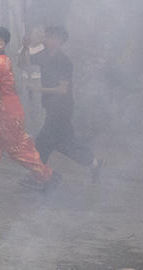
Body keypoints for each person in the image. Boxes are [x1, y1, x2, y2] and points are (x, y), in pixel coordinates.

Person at [0, 26, 55, 198]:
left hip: (8, 115)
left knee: (17, 151)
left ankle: (48, 177)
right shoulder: (1, 60)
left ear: (1, 44)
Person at [32, 26, 100, 179]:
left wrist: (39, 89)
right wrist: (27, 44)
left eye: (55, 38)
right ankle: (94, 163)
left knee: (42, 143)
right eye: (49, 37)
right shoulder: (43, 56)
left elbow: (62, 90)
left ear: (61, 41)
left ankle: (41, 177)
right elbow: (23, 62)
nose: (51, 41)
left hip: (61, 109)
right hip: (51, 107)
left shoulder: (64, 61)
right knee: (63, 144)